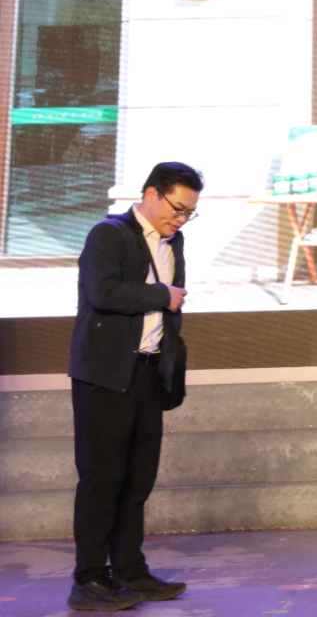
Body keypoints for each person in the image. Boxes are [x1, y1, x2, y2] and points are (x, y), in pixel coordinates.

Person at [67, 162, 202, 611]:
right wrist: (163, 295)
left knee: (137, 480)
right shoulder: (108, 234)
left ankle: (129, 570)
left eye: (189, 213)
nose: (181, 219)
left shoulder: (174, 241)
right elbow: (103, 293)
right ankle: (88, 579)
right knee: (102, 479)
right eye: (177, 208)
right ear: (150, 194)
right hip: (105, 376)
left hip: (148, 374)